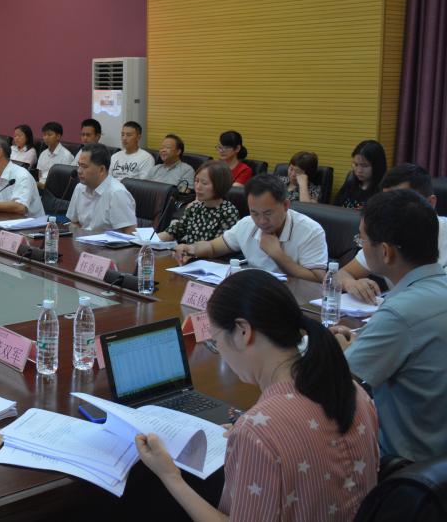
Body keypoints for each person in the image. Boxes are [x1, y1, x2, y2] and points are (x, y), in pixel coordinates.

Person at [137, 270, 378, 521]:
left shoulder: (258, 431)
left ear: (243, 331)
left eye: (216, 341)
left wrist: (170, 476)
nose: (219, 350)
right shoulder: (355, 392)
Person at [331, 189, 447, 463]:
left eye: (362, 240)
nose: (361, 246)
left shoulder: (399, 313)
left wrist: (337, 351)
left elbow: (334, 382)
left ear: (385, 252)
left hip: (403, 465)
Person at [174, 174, 328, 281]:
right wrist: (191, 249)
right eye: (254, 213)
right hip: (254, 294)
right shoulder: (247, 224)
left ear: (286, 205)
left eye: (268, 213)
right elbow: (213, 247)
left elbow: (318, 279)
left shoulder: (310, 231)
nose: (261, 221)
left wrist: (277, 254)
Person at [336, 163, 447, 302]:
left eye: (400, 203)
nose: (389, 211)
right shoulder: (385, 234)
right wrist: (351, 283)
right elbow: (340, 274)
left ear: (430, 203)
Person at [158, 160, 239, 244]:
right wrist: (151, 240)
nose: (198, 187)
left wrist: (189, 249)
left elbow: (218, 246)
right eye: (196, 181)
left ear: (220, 185)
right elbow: (173, 232)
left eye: (204, 183)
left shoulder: (228, 212)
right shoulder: (195, 207)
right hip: (188, 251)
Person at [66, 144, 136, 233]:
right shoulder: (79, 188)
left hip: (108, 242)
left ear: (101, 169)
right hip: (83, 240)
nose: (79, 171)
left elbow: (130, 233)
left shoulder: (117, 193)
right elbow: (74, 222)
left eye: (84, 166)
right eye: (79, 165)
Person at [333, 140, 387, 210]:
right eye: (356, 164)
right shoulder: (351, 181)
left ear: (377, 166)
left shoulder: (384, 190)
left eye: (364, 166)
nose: (359, 170)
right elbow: (335, 207)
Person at [35, 121, 75, 186]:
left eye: (49, 135)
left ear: (58, 136)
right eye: (44, 135)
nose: (46, 137)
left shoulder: (66, 155)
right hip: (41, 186)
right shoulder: (43, 154)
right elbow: (40, 174)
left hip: (56, 188)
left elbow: (66, 179)